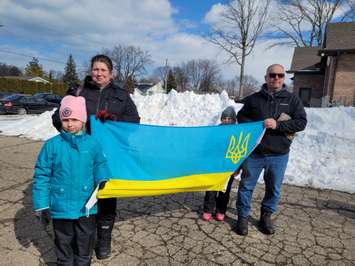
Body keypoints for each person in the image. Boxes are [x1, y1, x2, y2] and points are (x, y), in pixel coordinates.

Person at [52, 54, 140, 260]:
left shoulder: (122, 95)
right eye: (95, 69)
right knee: (83, 199)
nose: (99, 73)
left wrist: (114, 120)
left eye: (103, 70)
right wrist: (76, 125)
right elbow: (59, 118)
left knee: (107, 198)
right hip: (80, 154)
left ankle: (103, 243)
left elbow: (134, 123)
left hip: (110, 157)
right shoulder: (78, 91)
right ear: (91, 70)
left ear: (111, 73)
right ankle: (83, 246)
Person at [33, 95, 110, 265]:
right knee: (63, 241)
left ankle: (83, 262)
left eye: (74, 119)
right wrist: (42, 204)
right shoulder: (52, 145)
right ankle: (65, 262)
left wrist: (102, 178)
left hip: (86, 207)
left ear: (83, 120)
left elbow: (100, 163)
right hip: (60, 206)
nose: (70, 123)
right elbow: (42, 175)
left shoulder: (92, 143)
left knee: (85, 240)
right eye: (66, 119)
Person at [235, 64, 307, 236]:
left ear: (283, 78)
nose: (276, 78)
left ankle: (265, 217)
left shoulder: (292, 100)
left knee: (273, 189)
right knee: (246, 186)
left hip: (279, 155)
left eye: (280, 75)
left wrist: (278, 125)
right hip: (255, 153)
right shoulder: (253, 99)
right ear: (266, 77)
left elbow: (301, 122)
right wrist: (256, 125)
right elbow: (241, 118)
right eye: (272, 75)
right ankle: (243, 217)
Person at [202, 106, 239, 222]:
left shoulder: (238, 133)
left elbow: (239, 152)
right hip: (215, 167)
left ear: (234, 120)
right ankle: (208, 210)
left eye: (229, 119)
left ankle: (220, 210)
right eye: (224, 118)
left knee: (224, 191)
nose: (226, 121)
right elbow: (208, 147)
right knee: (211, 189)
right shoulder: (215, 131)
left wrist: (238, 167)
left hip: (228, 168)